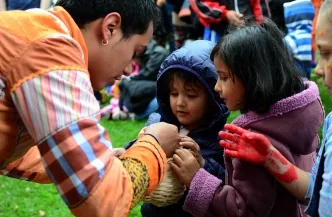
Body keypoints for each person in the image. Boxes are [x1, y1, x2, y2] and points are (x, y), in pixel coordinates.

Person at [0, 0, 182, 216]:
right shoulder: (50, 49)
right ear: (110, 28)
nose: (127, 70)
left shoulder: (34, 31)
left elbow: (14, 149)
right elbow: (101, 201)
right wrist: (154, 146)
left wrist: (93, 162)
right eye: (135, 52)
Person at [170, 19, 324, 217]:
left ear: (253, 77)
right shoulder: (296, 118)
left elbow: (243, 210)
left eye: (224, 77)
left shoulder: (252, 142)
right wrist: (203, 167)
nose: (217, 87)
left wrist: (196, 179)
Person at [218, 2, 332, 216]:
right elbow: (314, 190)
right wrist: (270, 157)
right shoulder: (330, 122)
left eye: (326, 53)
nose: (317, 68)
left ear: (253, 77)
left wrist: (195, 182)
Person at [122, 40, 229, 217]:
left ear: (212, 98)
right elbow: (138, 156)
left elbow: (226, 183)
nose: (180, 102)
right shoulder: (158, 122)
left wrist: (201, 166)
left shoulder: (221, 138)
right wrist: (133, 147)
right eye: (173, 93)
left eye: (191, 95)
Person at [283, 0, 315, 79]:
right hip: (307, 76)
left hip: (294, 78)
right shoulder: (310, 36)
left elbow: (283, 59)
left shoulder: (290, 39)